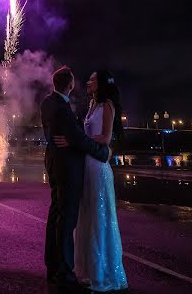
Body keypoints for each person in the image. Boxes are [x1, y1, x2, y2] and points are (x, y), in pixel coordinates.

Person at [57, 70, 128, 292]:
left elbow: (106, 138)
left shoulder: (107, 105)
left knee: (99, 217)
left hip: (97, 166)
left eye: (92, 79)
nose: (87, 82)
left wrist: (77, 141)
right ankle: (87, 270)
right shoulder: (91, 105)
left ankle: (102, 273)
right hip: (85, 164)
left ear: (102, 84)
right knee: (86, 216)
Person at [41, 66, 111, 290]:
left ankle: (52, 267)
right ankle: (65, 272)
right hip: (68, 170)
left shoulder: (47, 103)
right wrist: (103, 153)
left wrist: (72, 139)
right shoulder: (63, 108)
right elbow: (79, 139)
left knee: (55, 216)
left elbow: (73, 136)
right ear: (70, 85)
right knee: (67, 220)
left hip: (54, 164)